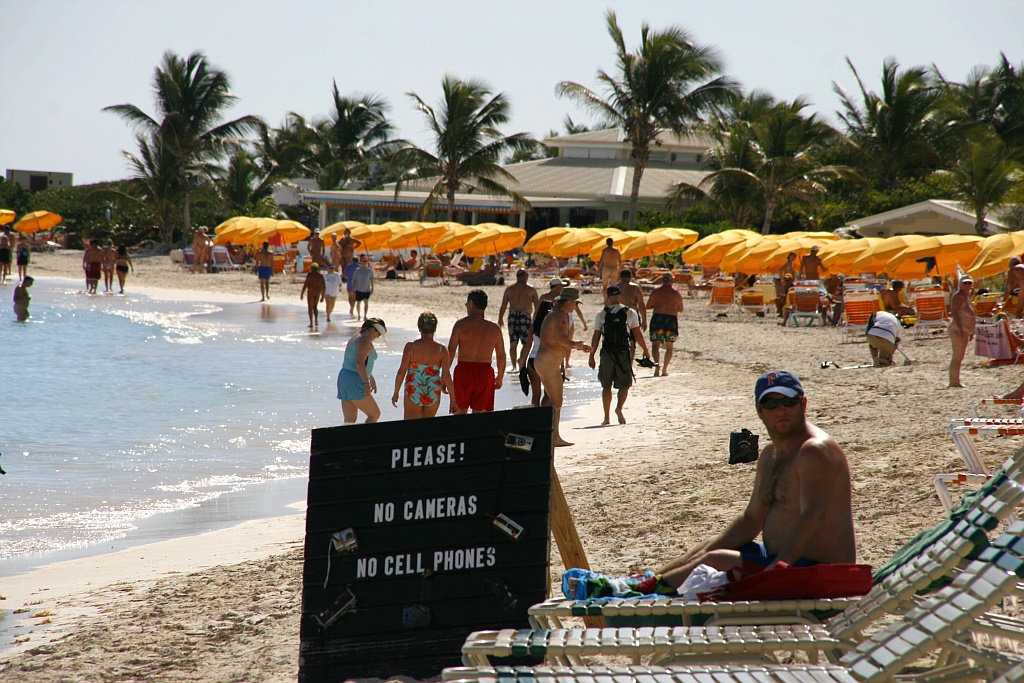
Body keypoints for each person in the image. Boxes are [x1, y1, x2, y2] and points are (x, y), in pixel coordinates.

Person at [650, 371, 856, 591]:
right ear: (759, 410)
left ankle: (647, 591)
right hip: (784, 561)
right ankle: (653, 580)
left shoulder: (814, 451)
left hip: (820, 572)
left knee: (716, 560)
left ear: (803, 403)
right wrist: (705, 551)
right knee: (709, 547)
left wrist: (779, 566)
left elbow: (814, 516)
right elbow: (751, 520)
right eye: (770, 404)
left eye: (789, 402)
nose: (781, 410)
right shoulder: (770, 455)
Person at [534, 287, 591, 447]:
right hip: (547, 362)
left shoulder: (554, 313)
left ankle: (544, 433)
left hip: (545, 362)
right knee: (557, 402)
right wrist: (579, 345)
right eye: (575, 303)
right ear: (568, 301)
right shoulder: (560, 315)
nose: (576, 306)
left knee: (552, 401)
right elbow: (561, 340)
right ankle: (553, 438)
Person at [588, 285, 652, 426]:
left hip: (607, 352)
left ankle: (606, 417)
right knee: (624, 384)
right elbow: (637, 335)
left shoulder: (601, 314)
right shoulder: (630, 313)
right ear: (621, 296)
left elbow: (596, 337)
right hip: (623, 352)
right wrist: (645, 350)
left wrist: (591, 356)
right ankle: (618, 408)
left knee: (606, 386)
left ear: (608, 297)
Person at [448, 289, 506, 414]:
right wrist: (500, 376)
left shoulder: (460, 325)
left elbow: (451, 351)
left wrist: (445, 375)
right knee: (479, 417)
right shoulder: (494, 328)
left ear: (471, 304)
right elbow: (501, 355)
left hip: (463, 371)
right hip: (484, 373)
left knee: (459, 413)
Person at [392, 312, 457, 419]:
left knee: (410, 429)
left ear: (419, 327)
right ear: (435, 328)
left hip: (413, 390)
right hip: (433, 392)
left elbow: (401, 372)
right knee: (427, 430)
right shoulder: (442, 349)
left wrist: (396, 393)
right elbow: (447, 376)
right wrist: (453, 400)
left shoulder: (411, 347)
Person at [337, 318, 387, 424]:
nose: (378, 336)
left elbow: (358, 362)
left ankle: (346, 440)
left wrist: (370, 377)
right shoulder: (365, 340)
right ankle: (366, 439)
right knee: (374, 414)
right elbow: (359, 362)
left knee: (349, 421)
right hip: (355, 379)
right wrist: (366, 383)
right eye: (379, 333)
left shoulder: (357, 336)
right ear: (373, 329)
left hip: (345, 377)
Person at [498, 269, 540, 372]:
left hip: (513, 316)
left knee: (513, 342)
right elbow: (537, 306)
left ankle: (513, 367)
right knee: (526, 343)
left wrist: (500, 318)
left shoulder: (509, 289)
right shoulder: (531, 289)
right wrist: (536, 319)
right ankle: (521, 360)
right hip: (525, 317)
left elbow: (504, 305)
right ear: (525, 276)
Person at [646, 271, 684, 377]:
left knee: (655, 345)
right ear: (672, 281)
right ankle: (664, 370)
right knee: (669, 346)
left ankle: (657, 367)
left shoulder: (656, 292)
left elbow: (648, 306)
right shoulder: (676, 293)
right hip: (671, 319)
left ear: (662, 280)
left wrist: (658, 306)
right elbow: (680, 309)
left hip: (657, 317)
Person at [519, 300, 555, 407]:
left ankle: (535, 418)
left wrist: (522, 363)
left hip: (532, 360)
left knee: (536, 395)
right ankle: (542, 416)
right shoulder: (551, 326)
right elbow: (555, 347)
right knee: (548, 394)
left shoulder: (534, 326)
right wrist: (561, 365)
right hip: (546, 361)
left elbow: (527, 346)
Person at [949, 275, 977, 388]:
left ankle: (956, 380)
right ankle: (954, 381)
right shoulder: (958, 297)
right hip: (957, 330)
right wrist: (960, 328)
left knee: (959, 357)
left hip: (964, 331)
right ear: (960, 284)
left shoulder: (966, 296)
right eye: (965, 283)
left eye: (969, 283)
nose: (967, 285)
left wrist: (970, 331)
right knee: (957, 357)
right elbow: (954, 313)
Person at [299, 262, 326, 327]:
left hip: (311, 292)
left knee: (310, 308)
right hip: (317, 293)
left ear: (312, 268)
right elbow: (324, 287)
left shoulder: (310, 275)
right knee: (315, 307)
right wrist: (322, 296)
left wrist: (302, 294)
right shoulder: (321, 276)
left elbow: (305, 285)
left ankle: (311, 323)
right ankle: (316, 320)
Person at [351, 255, 375, 320]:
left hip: (366, 289)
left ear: (367, 262)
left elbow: (372, 280)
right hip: (358, 289)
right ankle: (358, 315)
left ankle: (365, 315)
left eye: (366, 261)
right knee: (358, 303)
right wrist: (353, 288)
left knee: (366, 302)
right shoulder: (358, 270)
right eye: (363, 261)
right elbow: (354, 279)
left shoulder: (369, 271)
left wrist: (372, 288)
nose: (364, 262)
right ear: (361, 262)